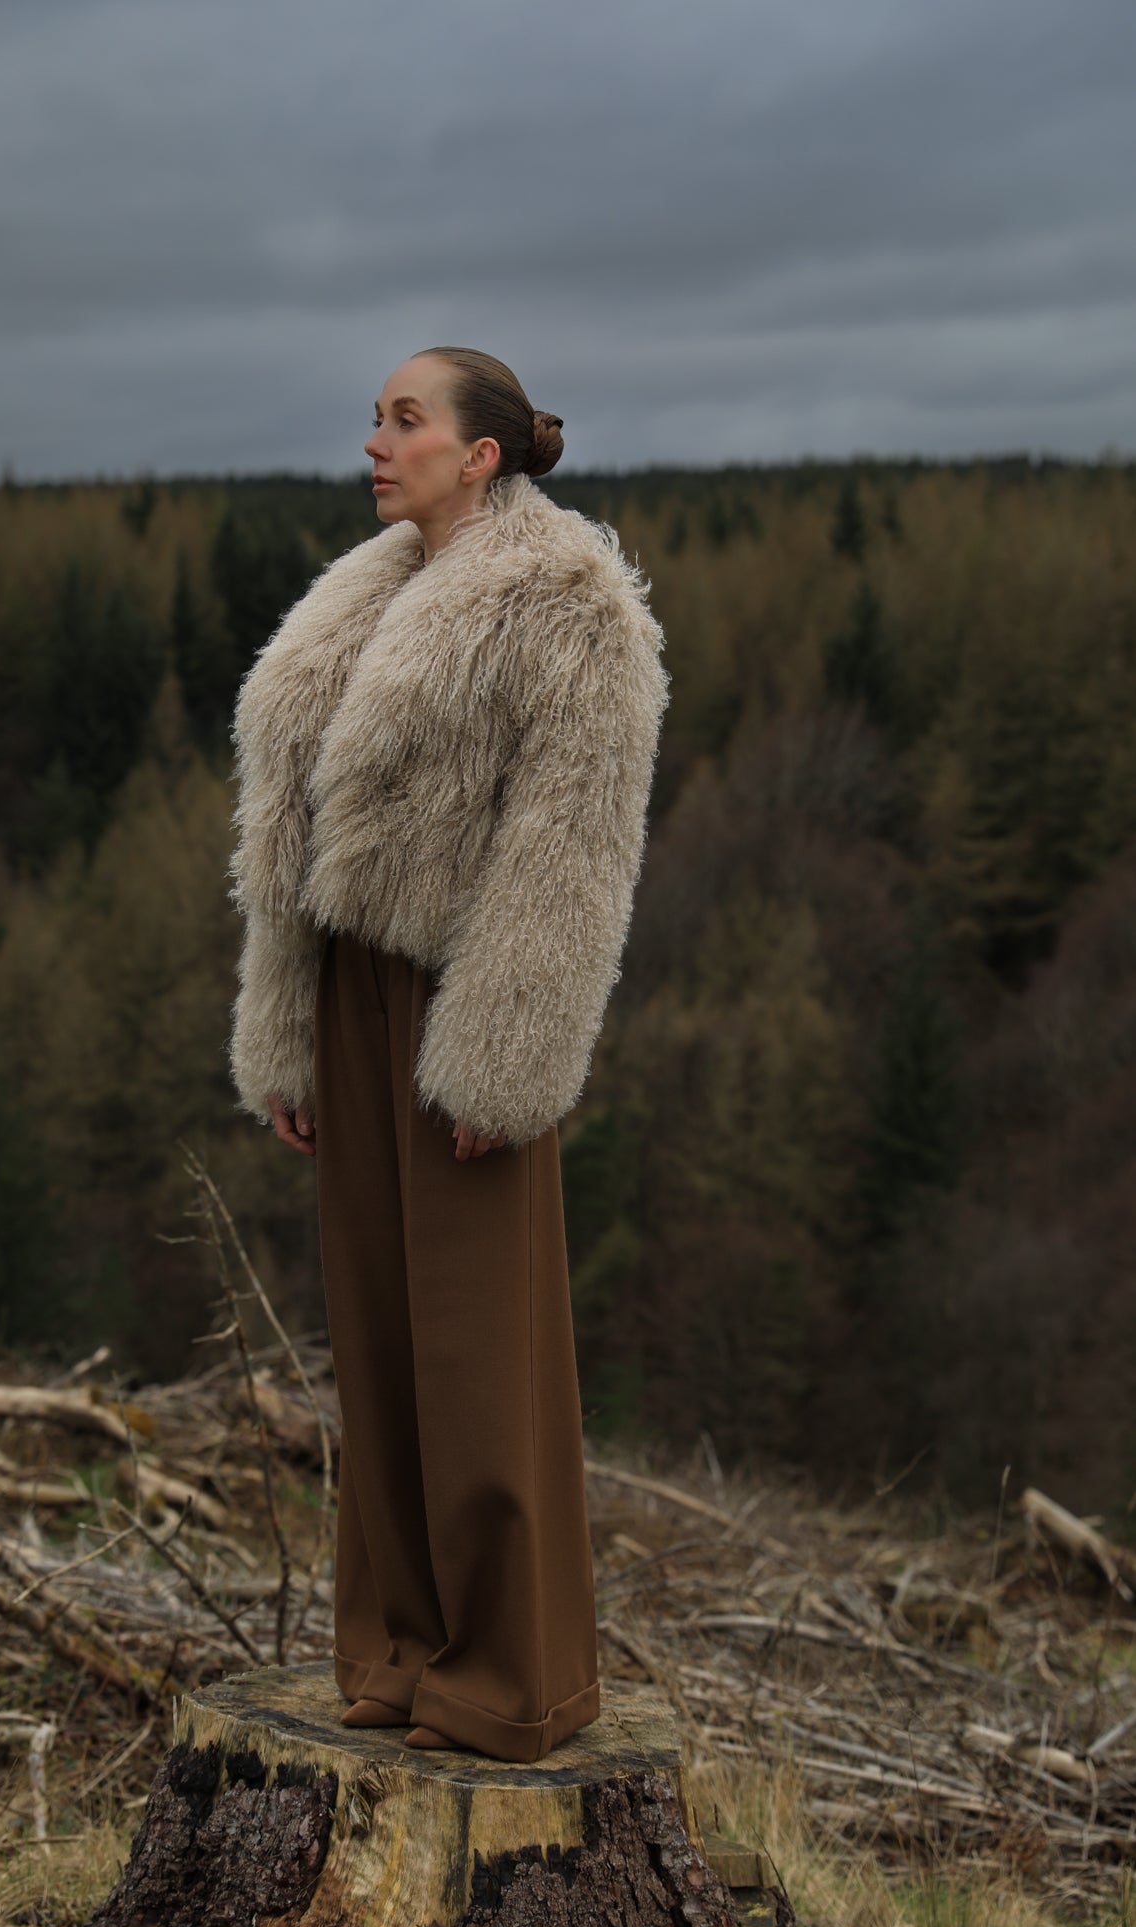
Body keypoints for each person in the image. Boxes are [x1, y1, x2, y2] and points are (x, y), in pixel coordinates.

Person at [227, 346, 668, 1762]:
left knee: (478, 1346)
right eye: (374, 419)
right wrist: (286, 1028)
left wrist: (505, 1058)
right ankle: (400, 1651)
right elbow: (286, 840)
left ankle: (505, 1677)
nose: (374, 442)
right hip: (346, 991)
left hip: (464, 1001)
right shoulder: (367, 593)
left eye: (403, 421)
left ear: (481, 454)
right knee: (376, 1336)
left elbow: (572, 841)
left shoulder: (567, 602)